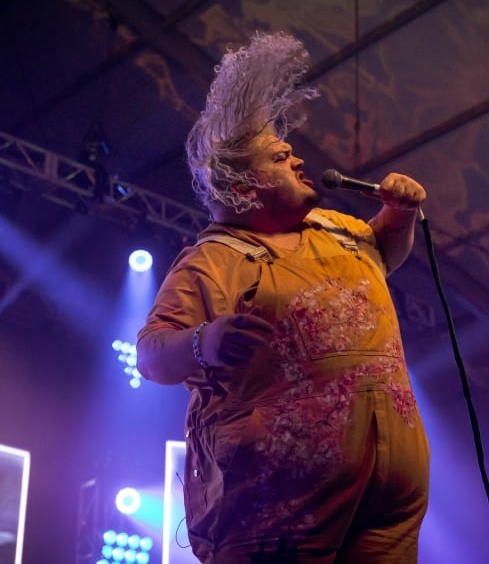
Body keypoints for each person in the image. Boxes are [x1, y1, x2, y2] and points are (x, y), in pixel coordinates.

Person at [136, 31, 429, 564]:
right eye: (279, 156)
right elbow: (151, 355)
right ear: (244, 189)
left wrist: (399, 218)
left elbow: (383, 255)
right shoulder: (215, 258)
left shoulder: (338, 227)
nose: (296, 158)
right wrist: (205, 341)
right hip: (279, 513)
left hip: (388, 505)